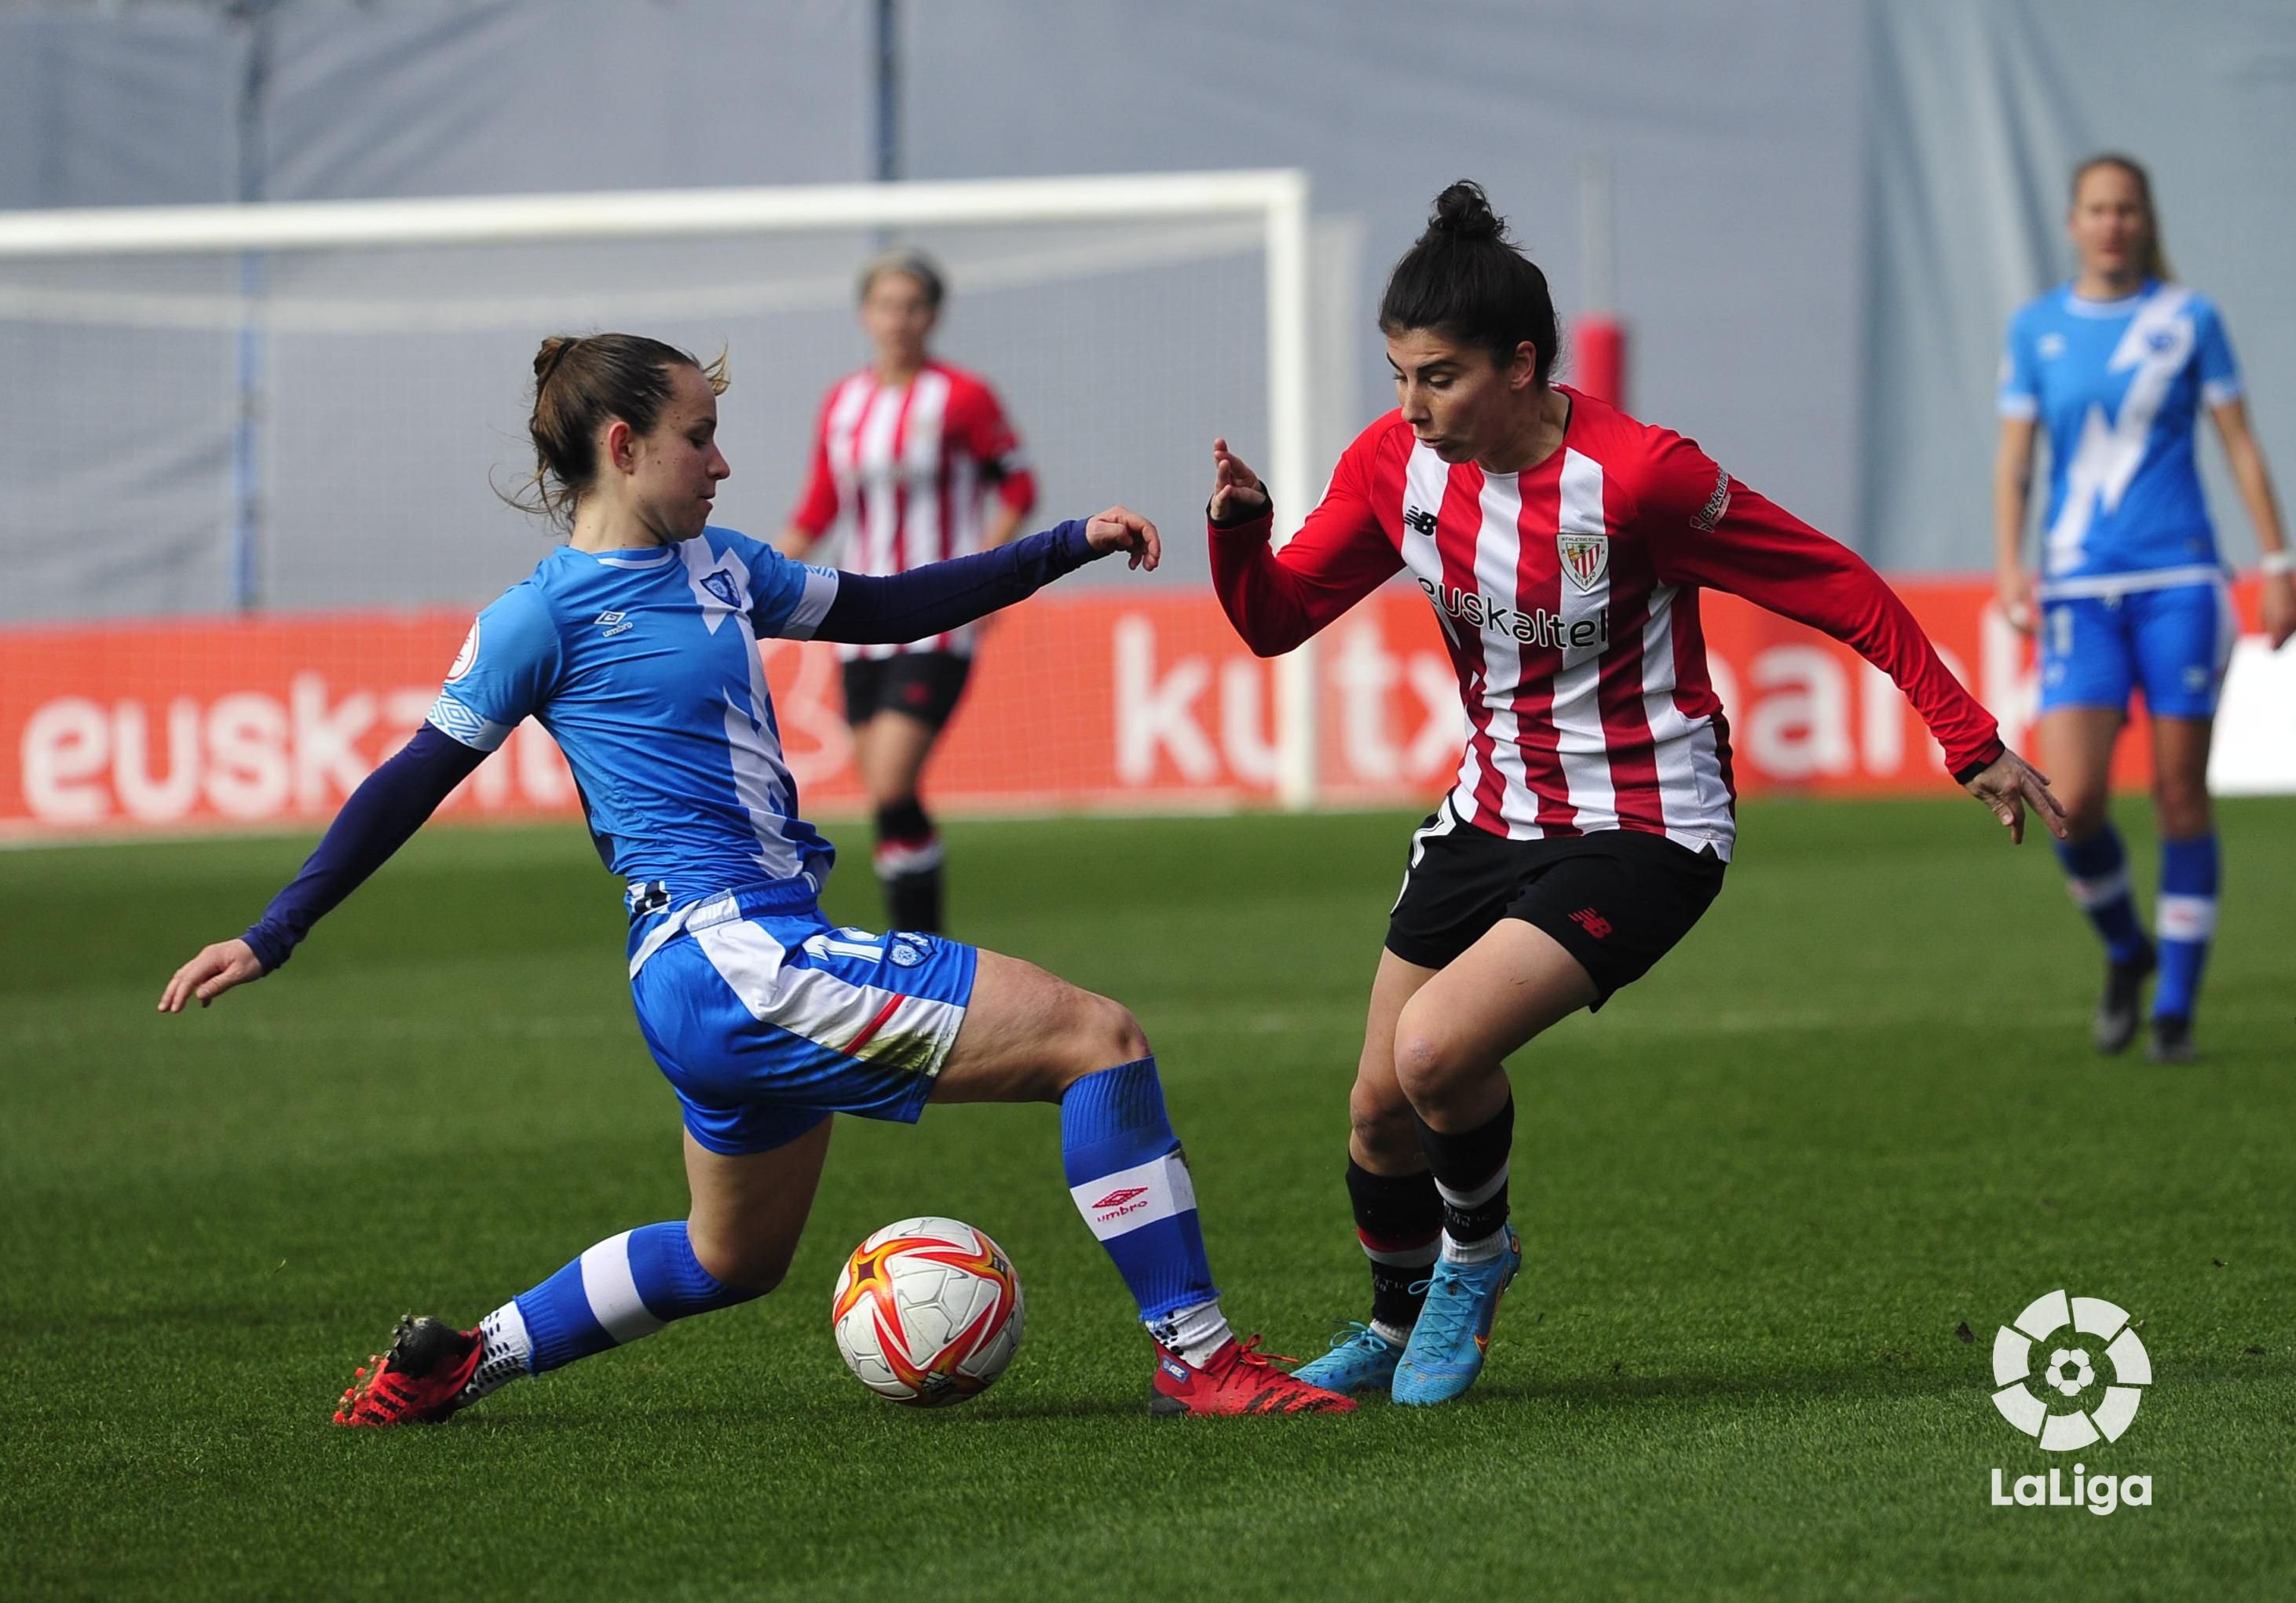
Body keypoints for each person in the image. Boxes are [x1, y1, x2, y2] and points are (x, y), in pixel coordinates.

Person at [159, 333, 1351, 1421]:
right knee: (1102, 1042)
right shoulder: (538, 619)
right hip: (734, 955)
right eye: (699, 437)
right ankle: (1197, 1353)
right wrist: (279, 928)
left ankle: (463, 1361)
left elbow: (881, 607)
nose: (722, 464)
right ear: (624, 449)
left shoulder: (721, 566)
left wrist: (1059, 546)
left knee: (733, 1258)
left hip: (723, 967)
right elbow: (414, 774)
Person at [1203, 182, 2064, 1407]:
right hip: (1492, 808)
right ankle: (1392, 1326)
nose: (1411, 406)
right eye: (1398, 375)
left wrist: (1964, 733)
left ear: (1522, 364)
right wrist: (1242, 533)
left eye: (1438, 377)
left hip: (1649, 823)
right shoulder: (1396, 463)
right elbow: (1277, 620)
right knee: (1377, 1113)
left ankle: (1477, 1257)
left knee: (1438, 1048)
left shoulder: (1644, 477)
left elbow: (1834, 581)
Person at [1994, 153, 2293, 1064]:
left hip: (2179, 583)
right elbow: (2015, 460)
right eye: (2096, 207)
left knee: (2176, 792)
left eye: (2125, 207)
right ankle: (2127, 949)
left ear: (2142, 218)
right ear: (2072, 220)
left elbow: (2238, 444)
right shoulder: (2036, 327)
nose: (2111, 222)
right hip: (2078, 588)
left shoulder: (2187, 318)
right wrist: (2009, 563)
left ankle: (2173, 1010)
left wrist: (2275, 560)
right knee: (2071, 802)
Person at [779, 250, 1036, 935]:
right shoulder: (844, 401)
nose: (899, 319)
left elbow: (1018, 487)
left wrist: (985, 577)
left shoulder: (962, 396)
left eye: (913, 306)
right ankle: (918, 947)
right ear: (867, 314)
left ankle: (922, 946)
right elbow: (820, 504)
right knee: (888, 800)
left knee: (892, 781)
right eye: (887, 305)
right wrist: (764, 572)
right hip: (858, 617)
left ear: (934, 315)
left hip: (937, 618)